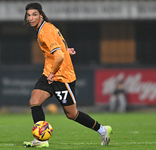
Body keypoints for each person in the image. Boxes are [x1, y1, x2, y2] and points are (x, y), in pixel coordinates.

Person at [23, 2, 112, 148]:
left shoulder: (46, 31)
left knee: (71, 114)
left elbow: (58, 57)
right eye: (28, 15)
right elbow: (59, 48)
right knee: (34, 101)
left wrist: (52, 73)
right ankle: (41, 140)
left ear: (41, 15)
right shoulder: (45, 27)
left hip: (62, 77)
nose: (31, 18)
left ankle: (103, 130)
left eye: (34, 14)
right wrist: (65, 51)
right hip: (50, 73)